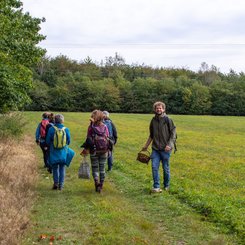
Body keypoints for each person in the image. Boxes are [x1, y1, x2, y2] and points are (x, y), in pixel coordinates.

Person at [142, 101, 176, 193]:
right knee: (154, 167)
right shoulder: (153, 120)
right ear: (155, 109)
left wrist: (169, 145)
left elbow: (173, 134)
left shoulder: (168, 119)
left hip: (166, 149)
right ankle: (156, 186)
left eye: (160, 108)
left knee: (165, 168)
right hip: (155, 149)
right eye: (157, 108)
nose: (158, 109)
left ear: (163, 109)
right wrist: (145, 146)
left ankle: (166, 185)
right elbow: (151, 135)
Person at [81, 110, 109, 193]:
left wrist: (86, 149)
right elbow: (107, 137)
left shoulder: (91, 127)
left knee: (95, 168)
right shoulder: (105, 126)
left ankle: (96, 182)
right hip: (104, 150)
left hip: (94, 150)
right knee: (102, 168)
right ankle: (101, 184)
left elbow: (88, 139)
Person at [46, 114, 71, 190]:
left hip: (54, 151)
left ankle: (56, 183)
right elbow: (68, 141)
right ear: (62, 121)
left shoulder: (51, 129)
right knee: (62, 168)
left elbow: (47, 141)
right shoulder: (66, 129)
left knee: (55, 168)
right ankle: (61, 185)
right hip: (63, 151)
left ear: (55, 120)